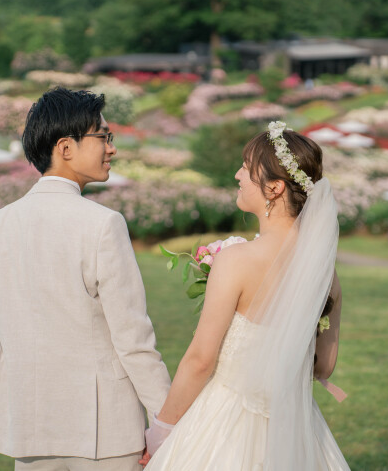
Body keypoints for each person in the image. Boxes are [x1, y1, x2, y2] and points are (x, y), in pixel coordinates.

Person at [0, 87, 171, 471]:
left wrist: (22, 386)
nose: (112, 148)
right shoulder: (103, 224)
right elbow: (133, 340)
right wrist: (166, 423)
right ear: (66, 147)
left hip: (28, 425)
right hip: (105, 428)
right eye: (103, 137)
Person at [142, 121, 349, 470]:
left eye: (246, 168)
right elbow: (325, 366)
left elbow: (200, 360)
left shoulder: (237, 260)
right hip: (295, 429)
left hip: (223, 427)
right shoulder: (327, 275)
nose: (237, 174)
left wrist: (163, 432)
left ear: (274, 188)